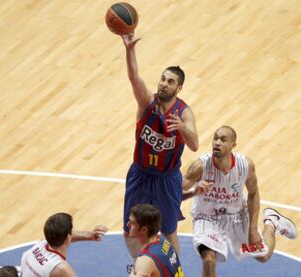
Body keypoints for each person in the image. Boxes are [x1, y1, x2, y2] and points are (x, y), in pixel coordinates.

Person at [182, 125, 298, 277]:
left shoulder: (245, 166)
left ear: (233, 145)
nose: (217, 142)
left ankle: (271, 222)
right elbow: (178, 190)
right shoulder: (199, 166)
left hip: (237, 214)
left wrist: (253, 229)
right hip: (206, 216)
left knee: (263, 256)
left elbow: (254, 193)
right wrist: (194, 191)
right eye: (215, 138)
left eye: (223, 140)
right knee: (209, 260)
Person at [121, 33, 199, 257]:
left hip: (167, 178)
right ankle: (140, 265)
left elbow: (194, 144)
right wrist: (129, 50)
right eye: (163, 79)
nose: (164, 84)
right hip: (140, 173)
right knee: (130, 230)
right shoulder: (146, 102)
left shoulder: (184, 113)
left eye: (170, 81)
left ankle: (174, 272)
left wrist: (182, 128)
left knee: (169, 231)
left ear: (179, 88)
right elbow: (134, 77)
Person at [20, 212, 108, 277]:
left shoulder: (40, 244)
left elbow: (63, 235)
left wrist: (90, 235)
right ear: (68, 237)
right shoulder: (62, 269)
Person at [127, 203, 184, 277]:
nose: (128, 224)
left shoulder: (145, 261)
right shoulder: (163, 241)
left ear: (144, 229)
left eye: (132, 223)